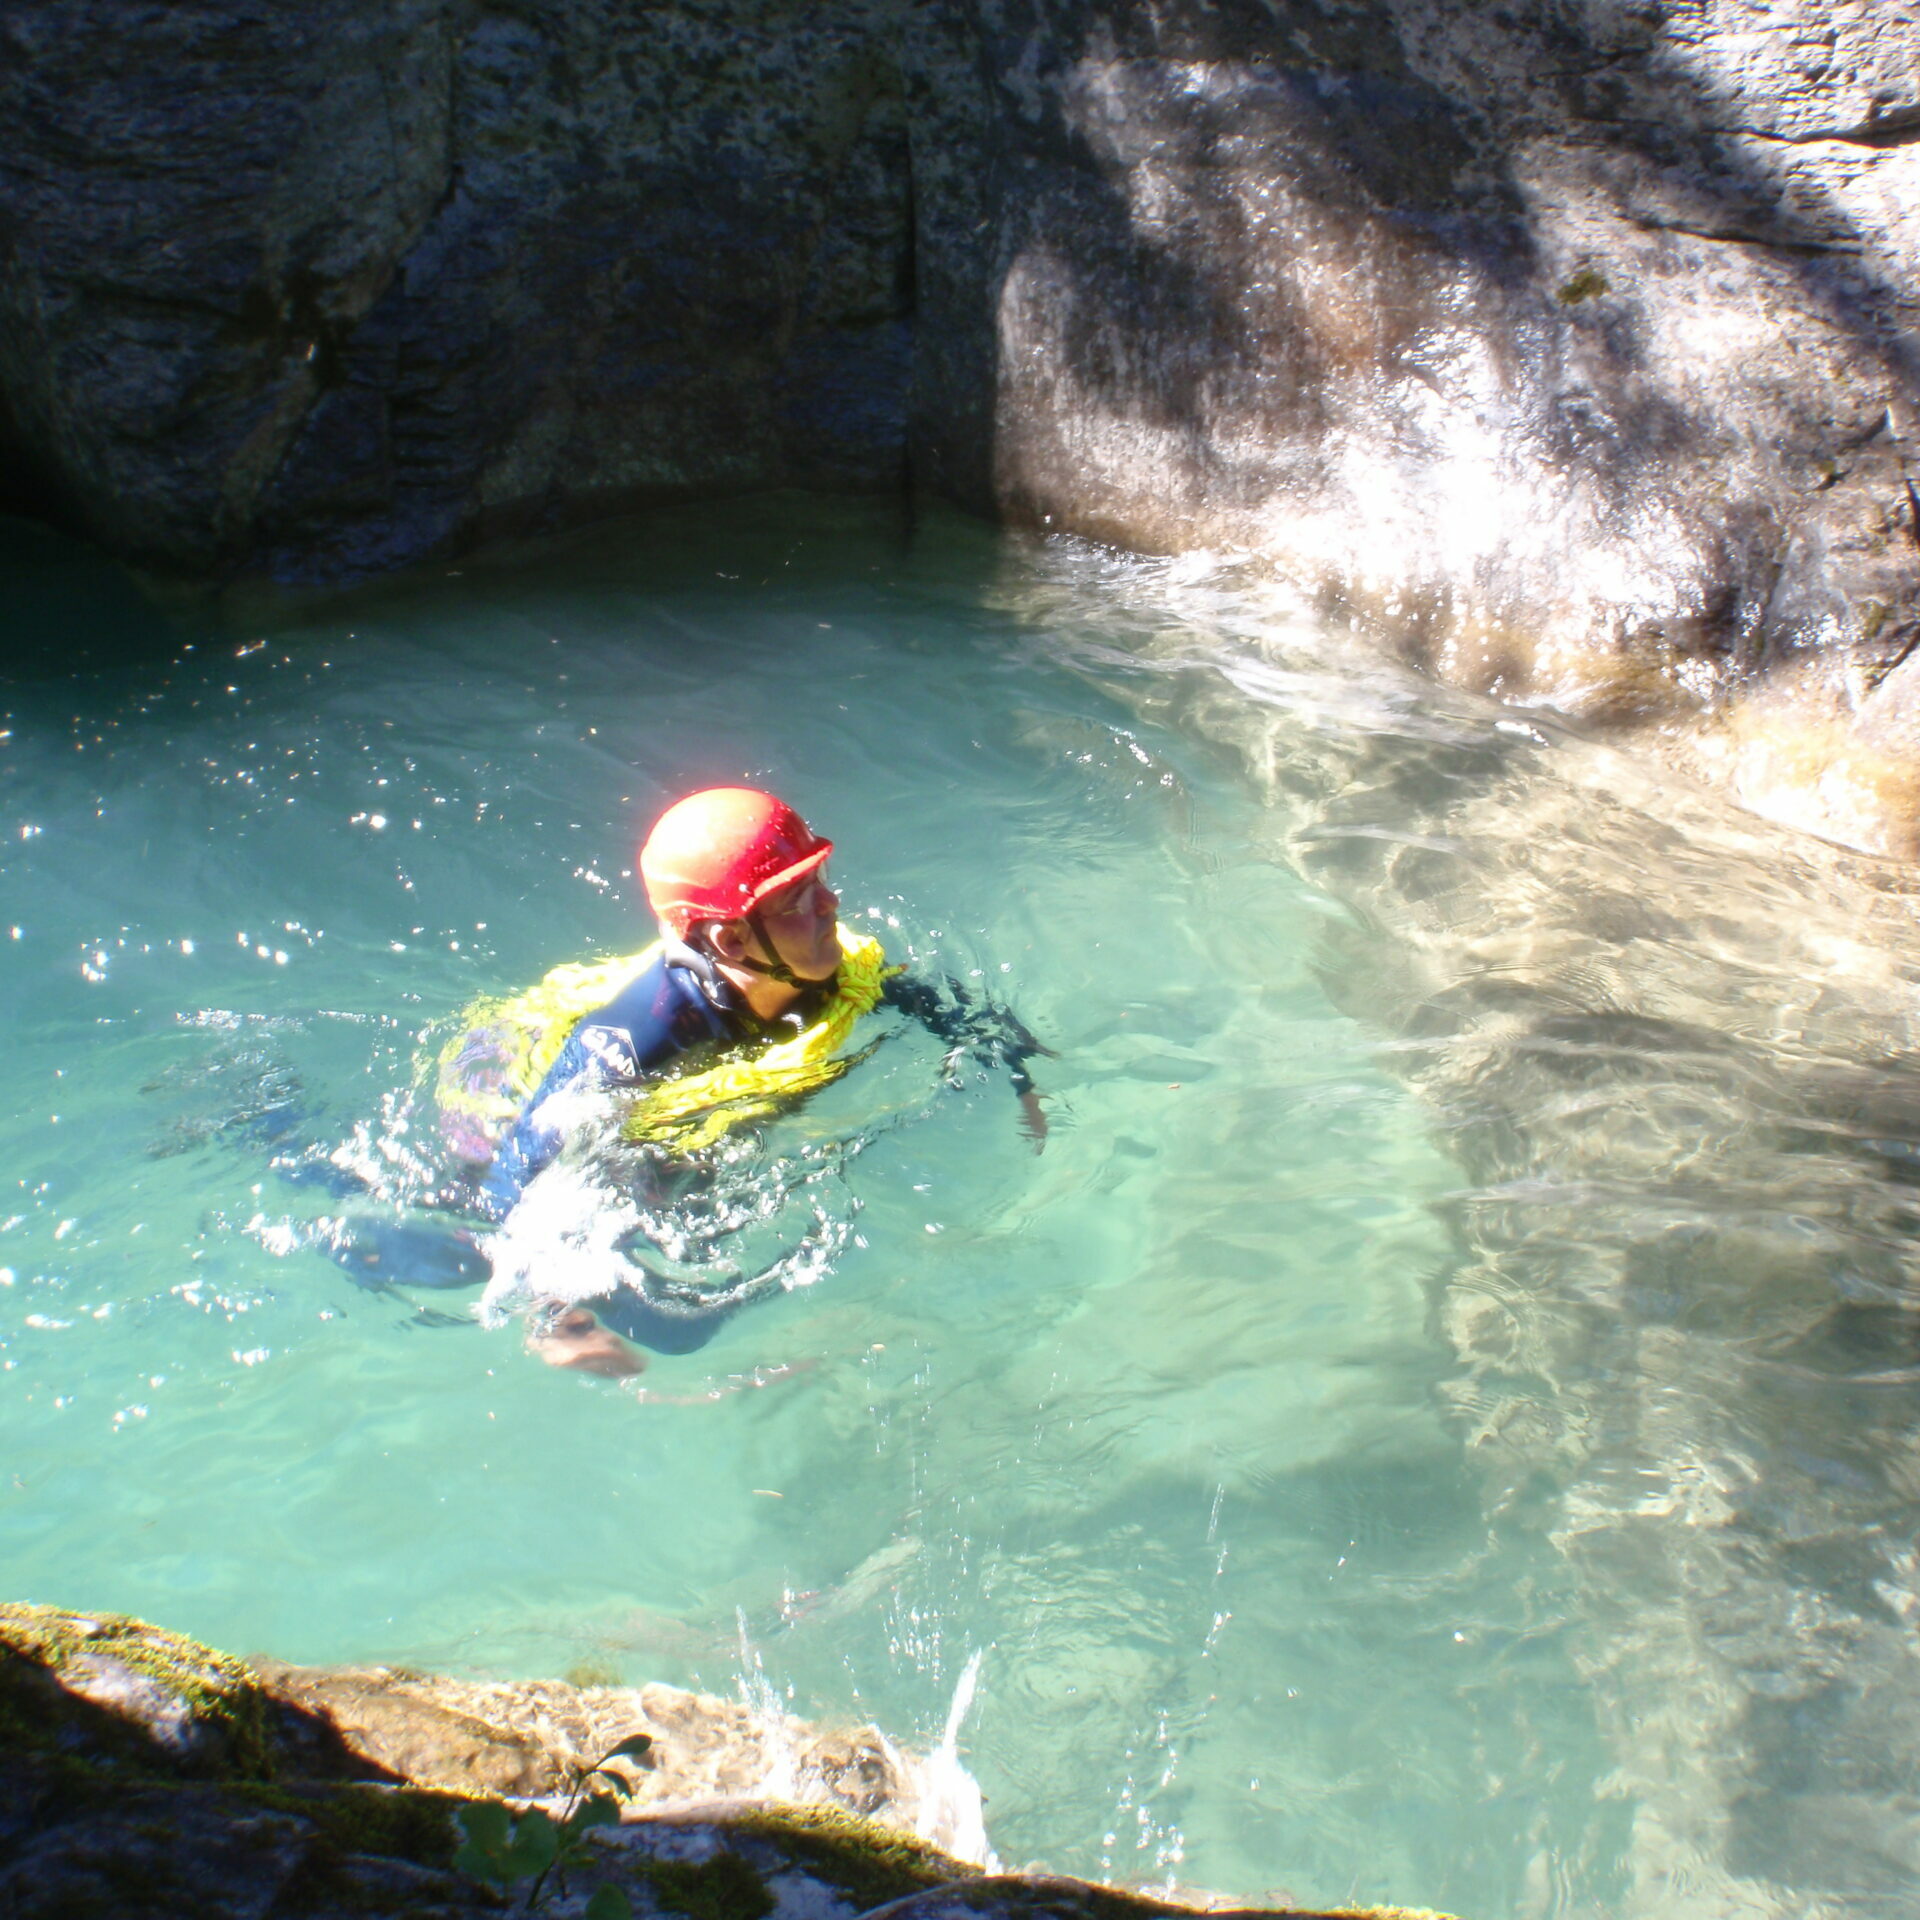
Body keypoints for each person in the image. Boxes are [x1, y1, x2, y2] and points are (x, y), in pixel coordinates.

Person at [407, 786, 1048, 1373]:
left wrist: (1021, 1077)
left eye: (820, 879)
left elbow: (929, 1000)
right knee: (674, 1325)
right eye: (800, 899)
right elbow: (521, 1173)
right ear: (733, 940)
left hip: (699, 1095)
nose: (832, 903)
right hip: (547, 1139)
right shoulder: (639, 1038)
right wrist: (552, 1312)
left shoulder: (819, 964)